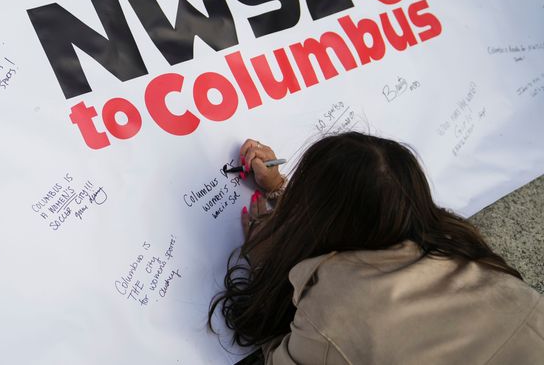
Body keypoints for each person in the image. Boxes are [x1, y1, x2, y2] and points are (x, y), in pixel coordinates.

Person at [209, 132, 544, 364]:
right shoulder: (460, 245)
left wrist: (270, 259)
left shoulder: (334, 310)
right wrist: (282, 190)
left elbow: (283, 356)